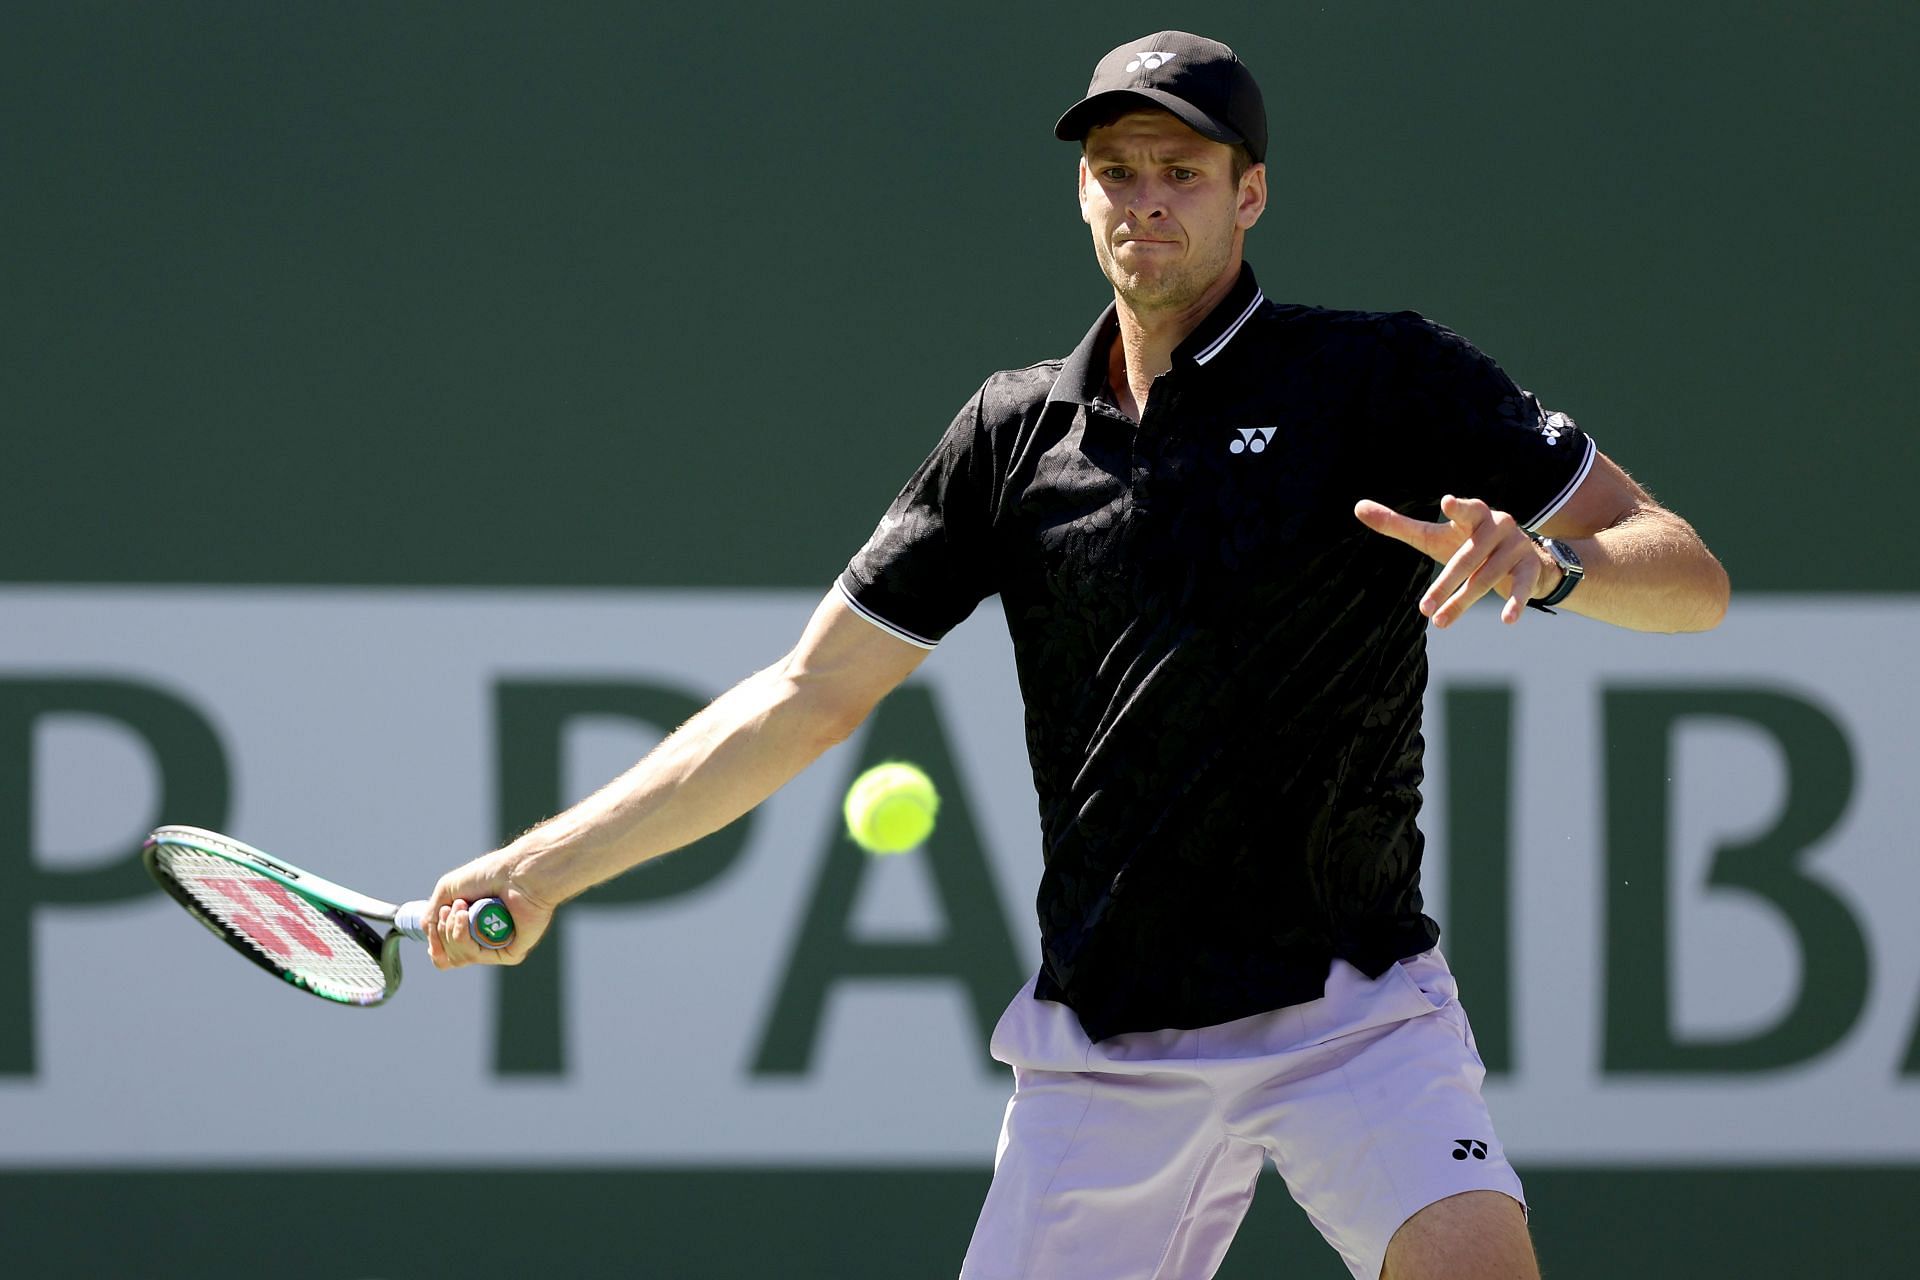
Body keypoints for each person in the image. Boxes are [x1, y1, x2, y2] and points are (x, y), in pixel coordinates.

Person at [425, 30, 1728, 1280]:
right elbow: (806, 695)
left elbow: (1686, 577)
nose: (1145, 201)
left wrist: (1555, 569)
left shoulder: (1379, 380)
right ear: (1082, 188)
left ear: (1250, 193)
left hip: (1359, 1017)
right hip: (1108, 1055)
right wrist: (543, 868)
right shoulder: (1010, 438)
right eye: (1117, 170)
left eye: (1184, 172)